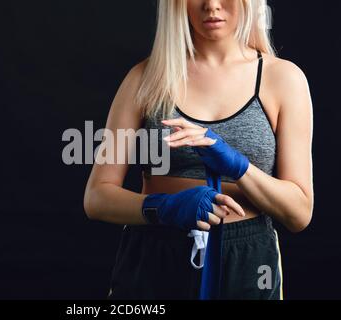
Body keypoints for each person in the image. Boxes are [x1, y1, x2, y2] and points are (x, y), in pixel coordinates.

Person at [83, 0, 313, 300]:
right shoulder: (146, 78)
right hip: (155, 251)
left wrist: (238, 167)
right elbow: (97, 197)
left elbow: (299, 213)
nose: (211, 6)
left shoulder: (282, 79)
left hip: (246, 260)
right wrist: (165, 208)